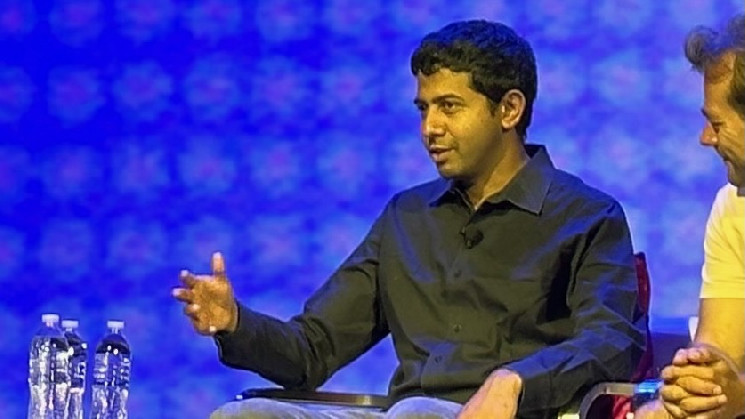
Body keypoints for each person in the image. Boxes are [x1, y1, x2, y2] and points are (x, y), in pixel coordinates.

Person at [172, 20, 646, 419]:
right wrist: (235, 322)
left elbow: (610, 343)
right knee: (246, 415)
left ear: (509, 109)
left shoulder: (587, 216)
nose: (429, 128)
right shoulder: (407, 216)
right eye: (424, 109)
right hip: (403, 414)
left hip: (509, 414)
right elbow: (312, 349)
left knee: (417, 412)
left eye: (449, 107)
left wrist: (516, 380)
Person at [635, 14, 745, 419]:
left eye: (716, 123)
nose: (705, 138)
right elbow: (718, 349)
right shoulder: (733, 207)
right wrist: (694, 380)